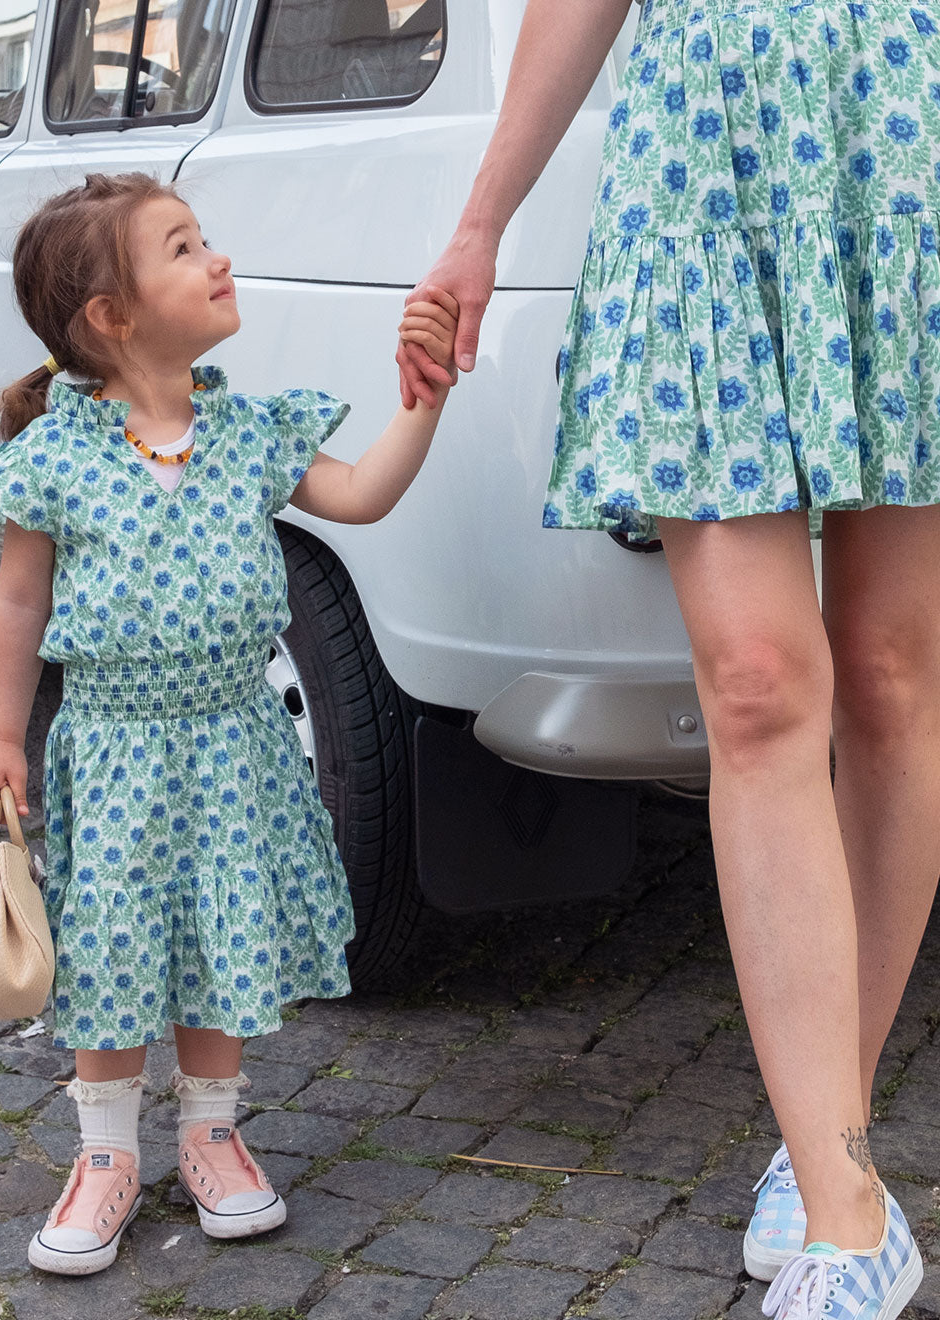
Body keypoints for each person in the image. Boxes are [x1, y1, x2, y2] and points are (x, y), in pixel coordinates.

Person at [398, 1, 940, 1316]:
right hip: (707, 154)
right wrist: (481, 218)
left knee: (890, 675)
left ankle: (832, 1134)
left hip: (905, 129)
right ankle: (846, 1207)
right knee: (758, 686)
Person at [0, 171, 457, 1277]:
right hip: (117, 747)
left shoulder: (248, 433)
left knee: (224, 937)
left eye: (203, 238)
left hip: (232, 743)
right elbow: (19, 604)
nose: (217, 257)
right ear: (113, 318)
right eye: (183, 247)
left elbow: (362, 492)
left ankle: (213, 1133)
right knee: (115, 943)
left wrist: (424, 399)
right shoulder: (56, 458)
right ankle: (108, 1154)